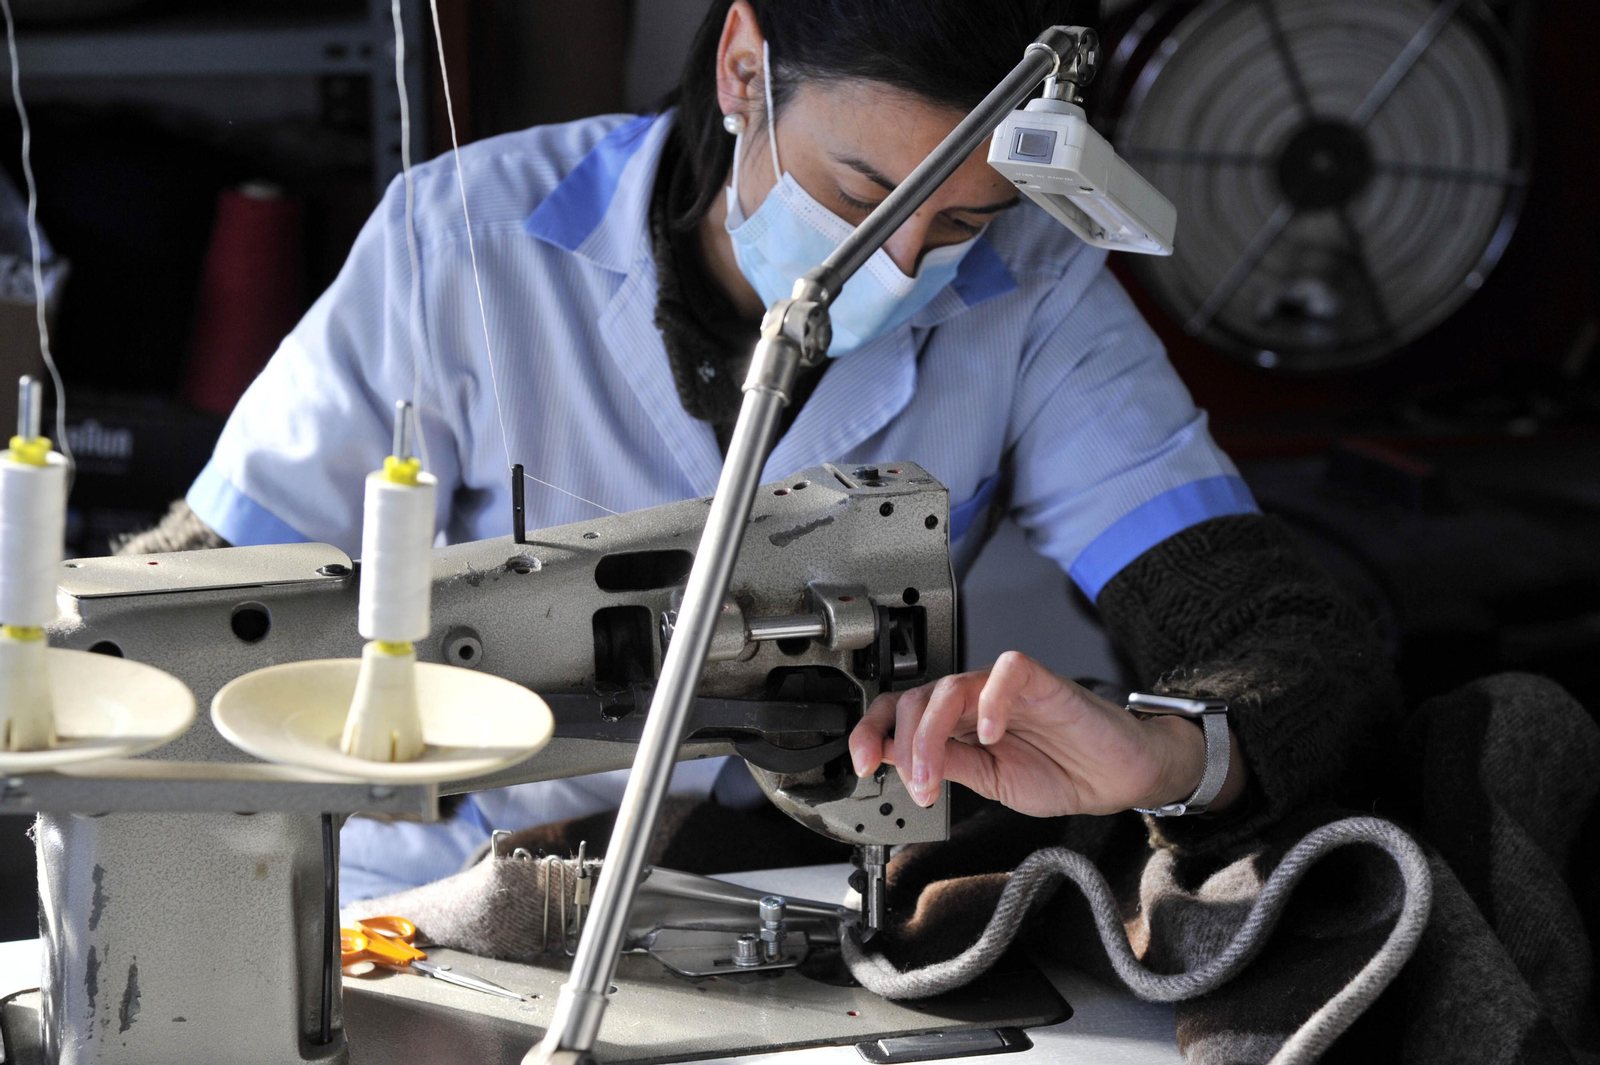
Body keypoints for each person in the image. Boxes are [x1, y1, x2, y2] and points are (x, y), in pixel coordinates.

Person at [124, 0, 1396, 898]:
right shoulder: (464, 242)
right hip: (442, 891)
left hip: (815, 896)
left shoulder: (1034, 289)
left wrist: (1174, 750)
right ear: (744, 66)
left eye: (957, 222)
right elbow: (209, 592)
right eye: (857, 198)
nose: (899, 266)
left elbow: (1274, 635)